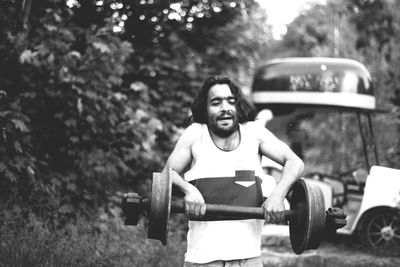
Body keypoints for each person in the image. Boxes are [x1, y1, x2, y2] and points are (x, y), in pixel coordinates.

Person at [161, 76, 304, 267]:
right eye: (216, 102)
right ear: (205, 108)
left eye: (231, 101)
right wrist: (188, 189)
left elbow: (295, 162)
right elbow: (166, 175)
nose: (225, 108)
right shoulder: (196, 134)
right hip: (203, 260)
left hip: (249, 260)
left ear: (238, 105)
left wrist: (278, 195)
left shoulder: (254, 133)